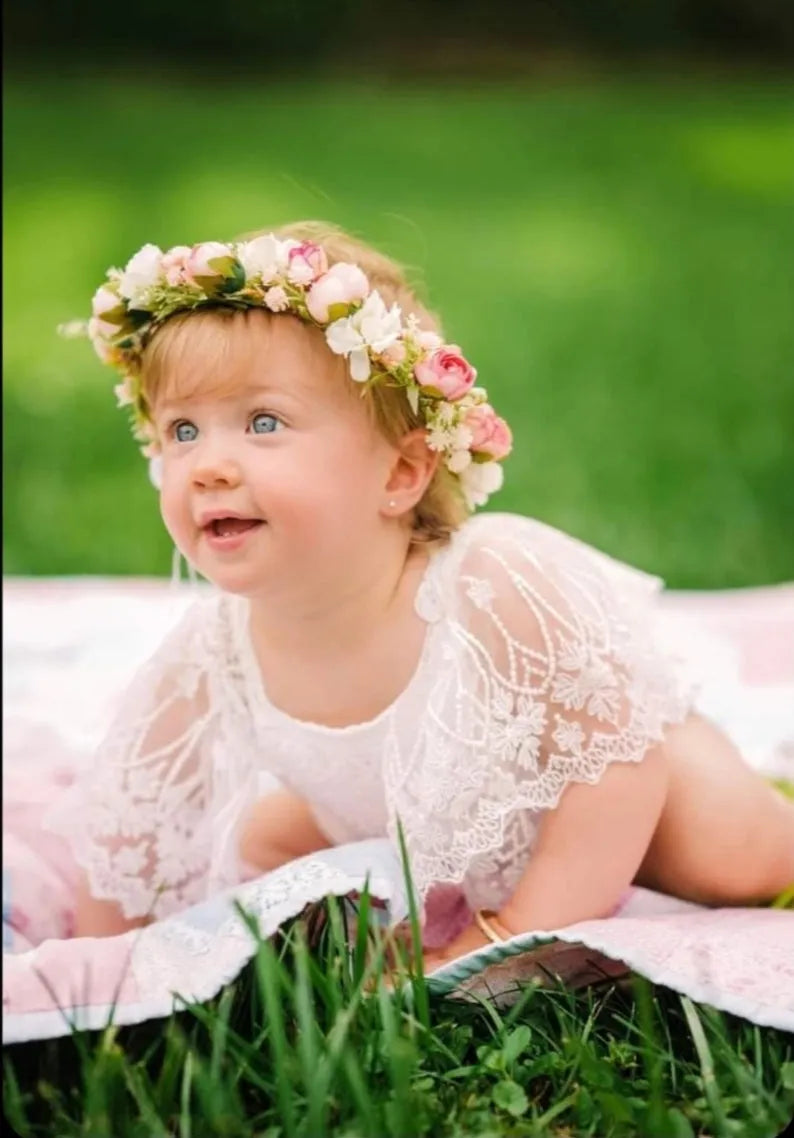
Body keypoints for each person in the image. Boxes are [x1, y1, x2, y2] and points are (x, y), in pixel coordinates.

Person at [50, 220, 794, 970]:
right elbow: (132, 823)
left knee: (732, 856)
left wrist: (504, 937)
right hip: (422, 813)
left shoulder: (491, 580)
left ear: (401, 475)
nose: (206, 465)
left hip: (624, 793)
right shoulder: (214, 648)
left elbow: (616, 769)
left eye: (262, 422)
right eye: (181, 430)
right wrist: (97, 971)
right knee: (254, 843)